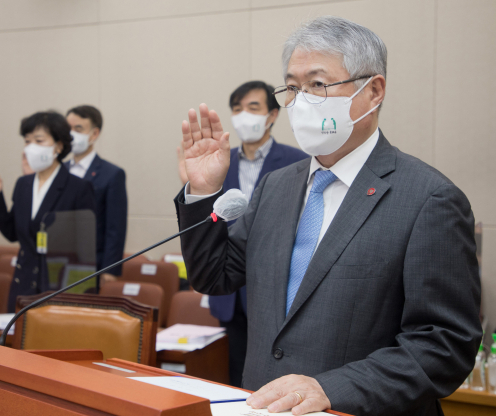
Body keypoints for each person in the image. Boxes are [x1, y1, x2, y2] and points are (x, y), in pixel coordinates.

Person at [175, 16, 481, 416]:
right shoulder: (276, 186)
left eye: (318, 85)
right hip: (263, 405)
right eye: (292, 87)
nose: (301, 101)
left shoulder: (429, 198)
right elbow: (214, 276)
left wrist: (331, 388)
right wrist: (202, 190)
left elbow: (444, 344)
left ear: (373, 92)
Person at [178, 81, 308, 387]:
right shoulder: (219, 159)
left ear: (272, 115)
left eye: (253, 108)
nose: (243, 116)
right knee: (236, 375)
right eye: (237, 109)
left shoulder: (297, 162)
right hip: (228, 292)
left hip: (273, 291)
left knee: (276, 378)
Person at [0, 111, 95, 312]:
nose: (30, 148)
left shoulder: (78, 188)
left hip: (59, 289)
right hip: (23, 285)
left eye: (39, 140)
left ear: (59, 146)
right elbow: (12, 234)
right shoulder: (23, 184)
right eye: (27, 141)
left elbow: (85, 251)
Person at [63, 105, 127, 283]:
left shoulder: (112, 174)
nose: (71, 134)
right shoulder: (59, 170)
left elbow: (115, 228)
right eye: (68, 128)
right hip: (58, 262)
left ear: (94, 134)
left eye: (78, 129)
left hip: (93, 266)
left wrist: (110, 271)